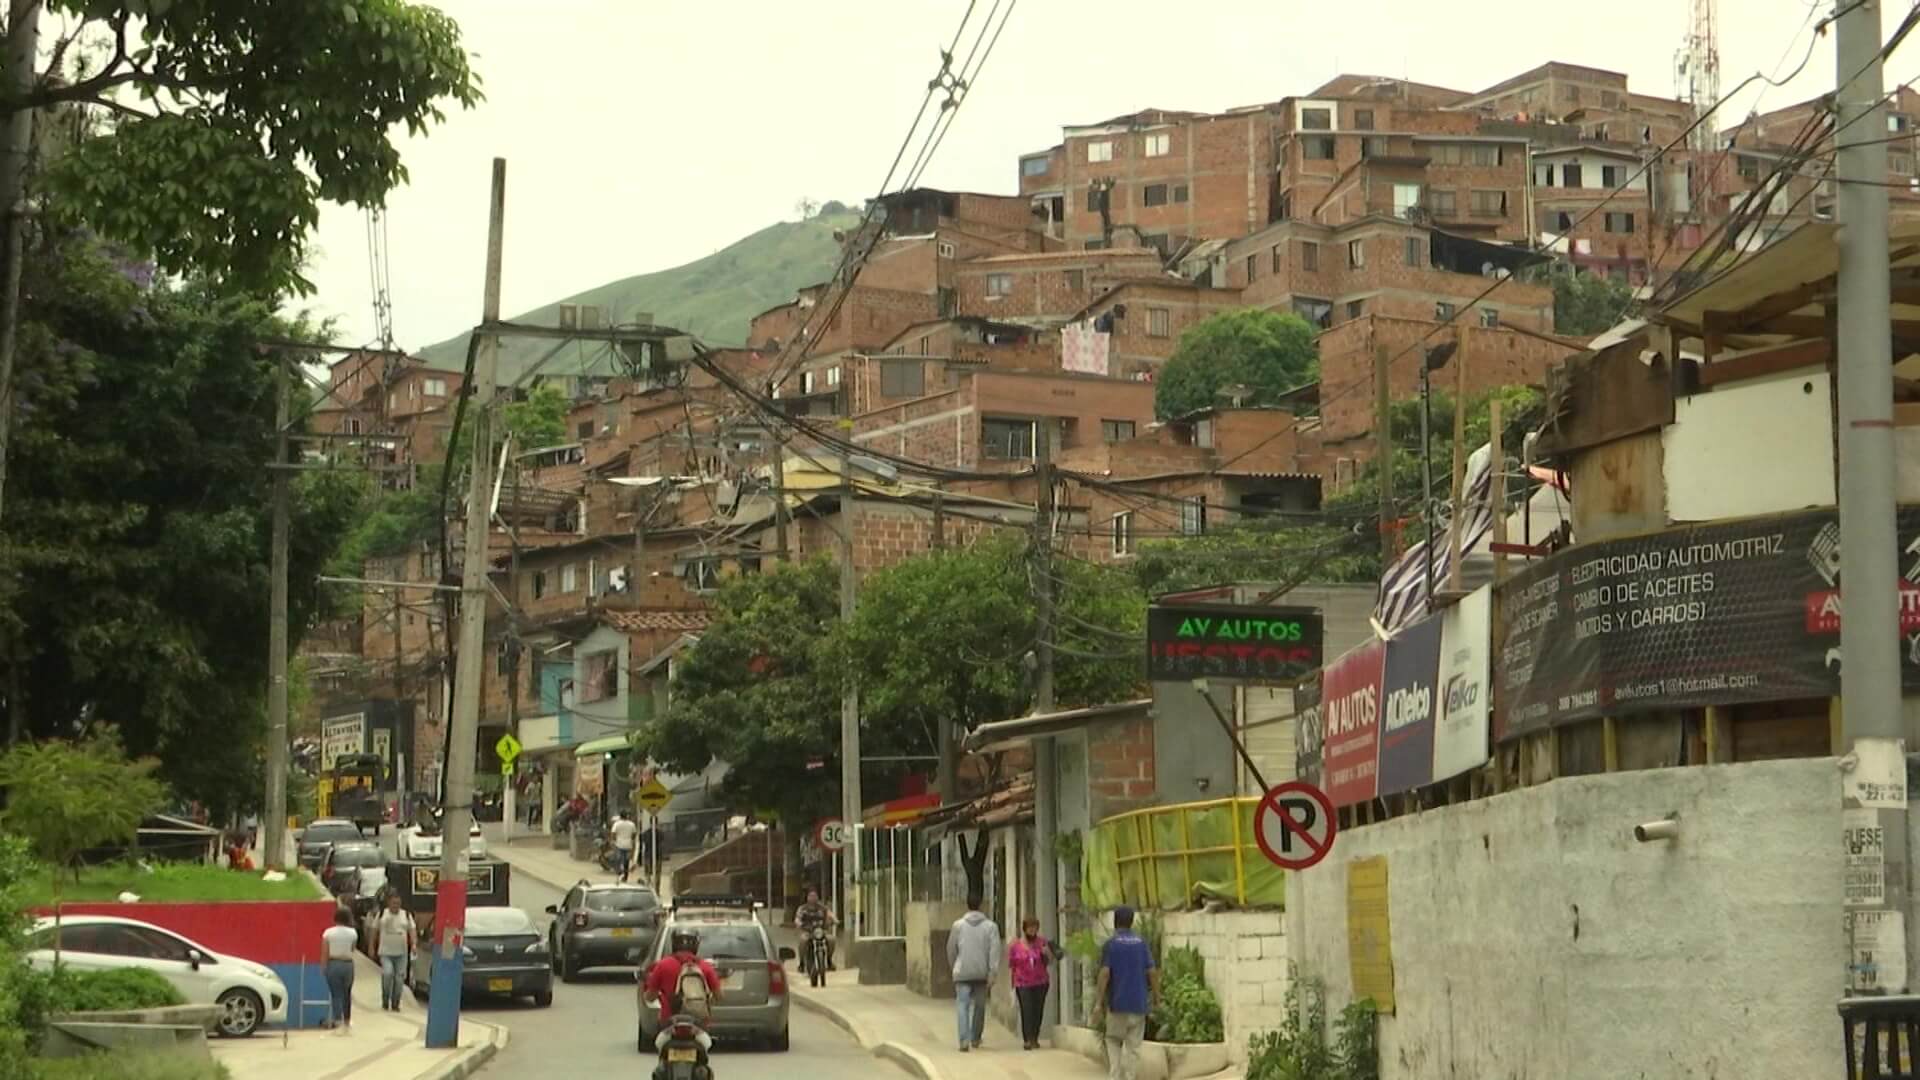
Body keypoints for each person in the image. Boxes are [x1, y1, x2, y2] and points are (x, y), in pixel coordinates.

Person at [1095, 906, 1159, 1080]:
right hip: (1138, 1004)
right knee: (1133, 1047)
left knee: (1113, 1040)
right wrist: (1156, 997)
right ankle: (1130, 1077)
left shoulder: (1111, 944)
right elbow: (1152, 972)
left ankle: (1115, 1075)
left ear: (1115, 921)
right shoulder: (1142, 943)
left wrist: (1098, 1003)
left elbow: (1105, 973)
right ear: (1132, 921)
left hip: (1117, 1004)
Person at [642, 930, 722, 1054]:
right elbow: (719, 996)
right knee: (705, 1048)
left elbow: (650, 997)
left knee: (660, 1046)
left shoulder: (663, 965)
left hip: (669, 1023)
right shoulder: (705, 967)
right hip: (698, 1024)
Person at [946, 892, 1001, 1053]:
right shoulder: (991, 927)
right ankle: (975, 1037)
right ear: (981, 905)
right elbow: (994, 951)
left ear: (967, 905)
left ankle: (963, 1040)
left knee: (962, 1005)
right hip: (981, 973)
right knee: (980, 1006)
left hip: (962, 971)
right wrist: (993, 972)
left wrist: (954, 966)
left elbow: (951, 948)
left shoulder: (958, 926)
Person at [1008, 915, 1062, 1050]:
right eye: (1030, 928)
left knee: (1037, 1010)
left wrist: (1047, 953)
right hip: (1022, 983)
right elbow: (1012, 966)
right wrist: (1012, 983)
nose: (1032, 931)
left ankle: (1034, 1037)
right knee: (1026, 1010)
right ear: (1024, 929)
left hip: (1040, 982)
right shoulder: (1016, 945)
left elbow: (1050, 961)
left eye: (1034, 928)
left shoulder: (1042, 942)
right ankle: (1027, 1039)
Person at [372, 893, 416, 1011]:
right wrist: (371, 947)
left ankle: (396, 1003)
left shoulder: (406, 915)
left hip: (402, 953)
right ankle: (385, 1000)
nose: (396, 906)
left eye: (398, 903)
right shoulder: (382, 914)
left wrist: (414, 944)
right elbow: (374, 930)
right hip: (385, 952)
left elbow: (412, 930)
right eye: (393, 903)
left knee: (399, 978)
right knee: (387, 973)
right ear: (389, 903)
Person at [321, 906, 359, 1033]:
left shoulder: (328, 933)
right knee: (347, 993)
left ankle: (338, 1020)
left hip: (333, 963)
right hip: (348, 964)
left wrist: (323, 966)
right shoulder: (353, 933)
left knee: (336, 994)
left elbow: (325, 952)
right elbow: (353, 949)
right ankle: (347, 1021)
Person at [795, 888, 838, 974]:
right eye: (811, 896)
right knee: (803, 941)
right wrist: (799, 923)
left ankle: (829, 960)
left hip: (821, 932)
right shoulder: (802, 908)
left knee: (831, 940)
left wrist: (835, 920)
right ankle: (802, 963)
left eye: (814, 896)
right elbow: (797, 918)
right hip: (808, 931)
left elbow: (831, 915)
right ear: (807, 897)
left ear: (818, 897)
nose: (813, 898)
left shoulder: (823, 908)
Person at [610, 810, 638, 882]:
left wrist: (614, 840)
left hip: (619, 844)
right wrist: (631, 839)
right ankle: (625, 877)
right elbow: (634, 834)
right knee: (626, 861)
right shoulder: (632, 824)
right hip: (628, 845)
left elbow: (613, 833)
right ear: (627, 816)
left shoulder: (617, 824)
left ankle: (619, 872)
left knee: (618, 859)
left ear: (620, 816)